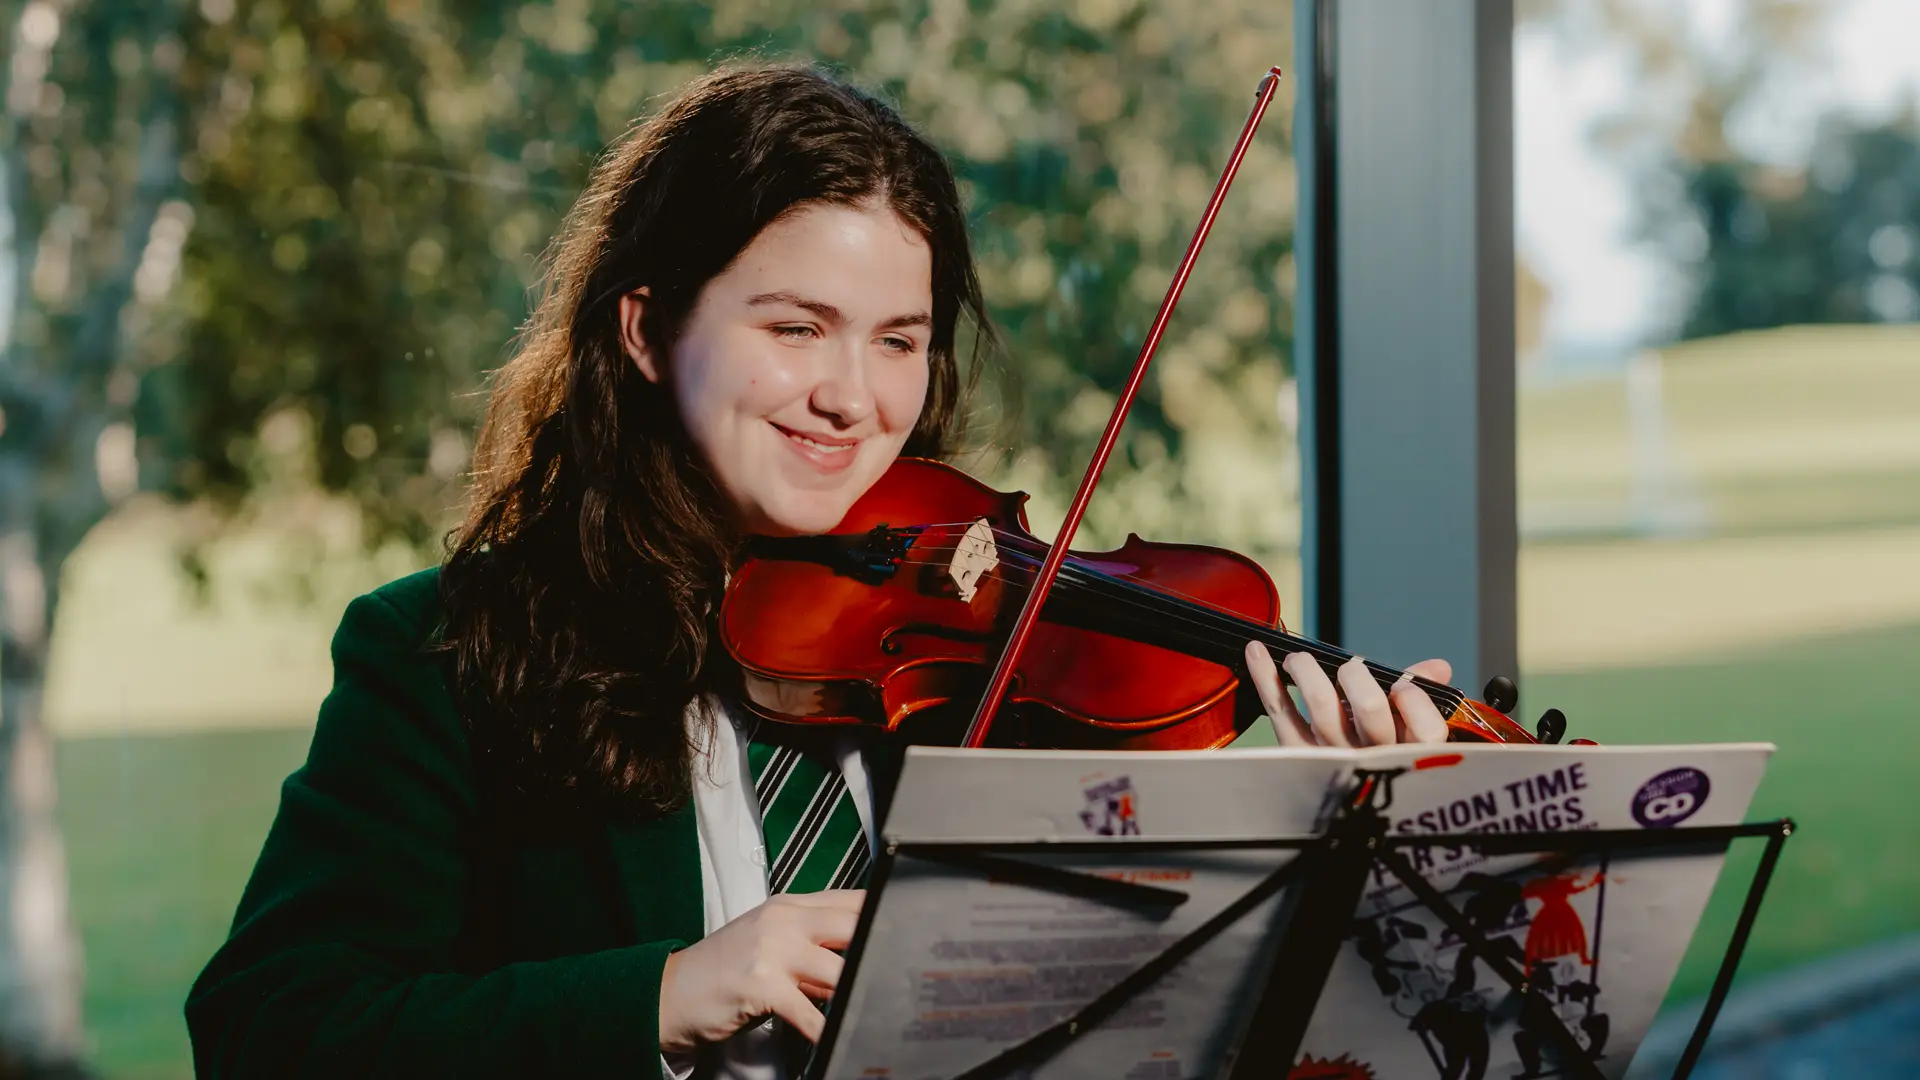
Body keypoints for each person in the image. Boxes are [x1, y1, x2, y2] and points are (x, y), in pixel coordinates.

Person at [185, 62, 1456, 1079]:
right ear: (646, 329)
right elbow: (269, 1030)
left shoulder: (995, 656)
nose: (852, 398)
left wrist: (1328, 827)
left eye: (899, 341)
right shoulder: (444, 654)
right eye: (795, 328)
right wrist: (670, 995)